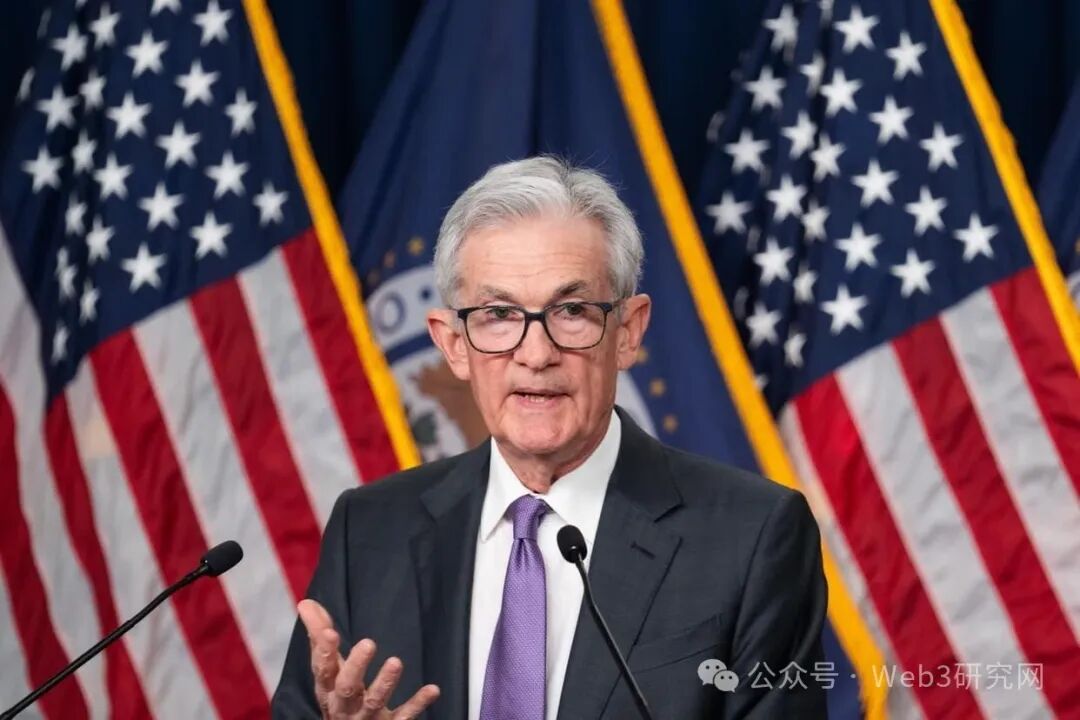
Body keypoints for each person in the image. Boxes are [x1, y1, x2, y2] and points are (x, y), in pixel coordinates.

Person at [271, 156, 828, 719]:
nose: (536, 354)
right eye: (498, 314)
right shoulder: (368, 531)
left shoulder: (752, 536)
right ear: (453, 344)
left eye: (572, 310)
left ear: (627, 332)